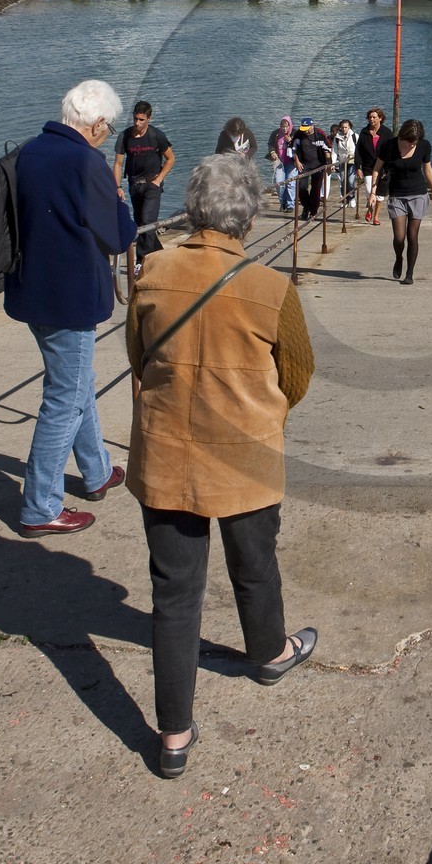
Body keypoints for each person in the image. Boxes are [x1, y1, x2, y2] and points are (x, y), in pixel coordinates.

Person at [126, 155, 316, 779]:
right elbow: (298, 375)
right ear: (249, 211)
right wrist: (263, 411)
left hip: (168, 452)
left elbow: (137, 355)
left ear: (194, 206)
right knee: (255, 563)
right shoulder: (271, 288)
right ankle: (269, 652)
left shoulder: (152, 272)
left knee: (174, 594)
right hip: (245, 454)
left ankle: (174, 736)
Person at [4, 79, 136, 538]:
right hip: (70, 297)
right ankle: (40, 506)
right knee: (64, 398)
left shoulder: (29, 152)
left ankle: (97, 472)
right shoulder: (86, 161)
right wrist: (119, 200)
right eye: (108, 126)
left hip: (30, 289)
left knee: (76, 384)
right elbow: (119, 236)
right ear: (97, 124)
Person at [372, 118, 432, 286]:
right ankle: (398, 257)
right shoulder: (389, 145)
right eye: (410, 142)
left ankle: (409, 273)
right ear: (403, 136)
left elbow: (428, 169)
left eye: (415, 142)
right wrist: (373, 192)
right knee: (399, 238)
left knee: (412, 236)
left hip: (418, 194)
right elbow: (377, 168)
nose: (413, 145)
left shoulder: (424, 145)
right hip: (397, 196)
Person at [113, 101, 175, 269]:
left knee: (147, 221)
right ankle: (159, 255)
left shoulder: (156, 136)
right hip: (134, 185)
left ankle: (141, 261)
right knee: (141, 223)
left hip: (152, 185)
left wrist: (158, 179)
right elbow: (118, 163)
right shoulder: (125, 136)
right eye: (135, 119)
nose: (137, 123)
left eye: (141, 120)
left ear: (149, 118)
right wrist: (117, 187)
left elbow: (171, 159)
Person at [292, 116, 330, 219]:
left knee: (316, 188)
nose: (305, 132)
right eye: (303, 129)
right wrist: (297, 161)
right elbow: (294, 149)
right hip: (304, 165)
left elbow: (327, 149)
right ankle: (306, 207)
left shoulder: (320, 134)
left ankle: (313, 211)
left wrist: (328, 163)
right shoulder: (299, 134)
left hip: (318, 164)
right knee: (301, 187)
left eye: (307, 129)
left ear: (312, 126)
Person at [355, 106, 387, 225]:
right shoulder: (364, 132)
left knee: (380, 194)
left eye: (374, 117)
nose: (371, 119)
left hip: (383, 167)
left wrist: (389, 168)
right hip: (368, 166)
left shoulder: (387, 133)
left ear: (380, 118)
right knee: (369, 190)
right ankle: (370, 208)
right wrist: (358, 167)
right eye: (370, 117)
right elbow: (358, 151)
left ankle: (376, 216)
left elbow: (392, 150)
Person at [268, 115, 297, 212]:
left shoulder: (295, 133)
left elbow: (299, 147)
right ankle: (283, 202)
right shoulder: (275, 134)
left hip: (291, 162)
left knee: (290, 182)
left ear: (290, 125)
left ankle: (290, 205)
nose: (284, 129)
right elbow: (271, 144)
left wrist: (290, 142)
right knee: (279, 183)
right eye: (282, 126)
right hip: (280, 162)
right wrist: (272, 152)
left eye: (286, 126)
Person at [331, 118, 357, 200]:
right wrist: (333, 163)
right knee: (342, 181)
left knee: (350, 181)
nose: (344, 129)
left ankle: (351, 197)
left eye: (346, 127)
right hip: (342, 161)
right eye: (342, 127)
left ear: (349, 127)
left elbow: (359, 149)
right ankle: (344, 198)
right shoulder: (337, 137)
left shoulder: (355, 136)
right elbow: (334, 150)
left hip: (352, 161)